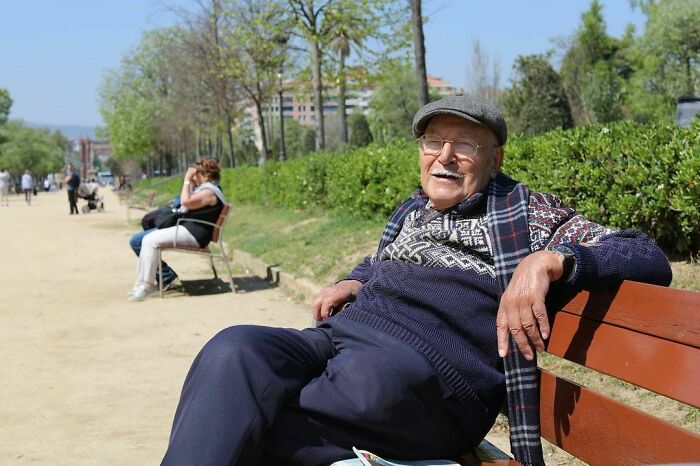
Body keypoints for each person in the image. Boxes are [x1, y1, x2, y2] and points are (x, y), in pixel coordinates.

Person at [160, 95, 672, 466]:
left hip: (432, 375)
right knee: (234, 350)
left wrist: (549, 261)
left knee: (263, 412)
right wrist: (356, 279)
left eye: (464, 145)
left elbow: (645, 254)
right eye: (433, 142)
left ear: (495, 160)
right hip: (345, 339)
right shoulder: (415, 210)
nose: (444, 157)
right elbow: (390, 261)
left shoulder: (528, 211)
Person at [128, 158, 227, 302]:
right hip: (189, 229)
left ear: (202, 174)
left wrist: (187, 180)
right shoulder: (208, 189)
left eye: (195, 174)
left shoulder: (209, 192)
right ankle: (144, 282)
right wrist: (191, 182)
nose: (193, 176)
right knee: (146, 240)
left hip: (194, 234)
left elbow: (185, 202)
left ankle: (147, 285)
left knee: (149, 240)